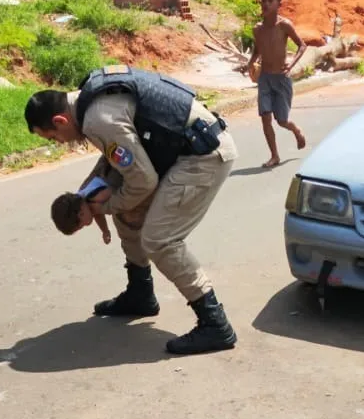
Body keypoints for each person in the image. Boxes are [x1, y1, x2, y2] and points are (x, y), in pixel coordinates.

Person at [25, 64, 239, 356]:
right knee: (128, 216)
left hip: (203, 156)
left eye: (53, 137)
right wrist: (90, 193)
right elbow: (118, 161)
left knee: (159, 239)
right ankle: (140, 294)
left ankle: (215, 323)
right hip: (182, 148)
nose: (59, 143)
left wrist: (104, 205)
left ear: (60, 120)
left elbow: (143, 181)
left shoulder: (97, 120)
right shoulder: (87, 99)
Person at [248, 0, 307, 168]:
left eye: (270, 1)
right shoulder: (257, 29)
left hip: (281, 79)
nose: (265, 4)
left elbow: (302, 45)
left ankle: (295, 130)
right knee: (265, 117)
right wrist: (250, 63)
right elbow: (258, 49)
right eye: (263, 0)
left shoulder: (284, 25)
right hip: (264, 78)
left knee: (282, 121)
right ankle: (274, 155)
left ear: (278, 4)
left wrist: (291, 65)